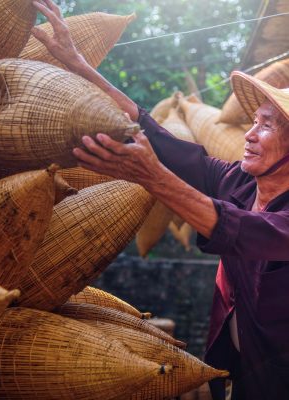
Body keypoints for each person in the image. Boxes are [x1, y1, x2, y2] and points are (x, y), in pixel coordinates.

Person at [32, 1, 289, 399]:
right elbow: (155, 133)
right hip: (242, 374)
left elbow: (238, 229)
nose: (250, 134)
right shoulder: (237, 182)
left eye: (267, 125)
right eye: (252, 122)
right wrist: (80, 65)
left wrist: (151, 176)